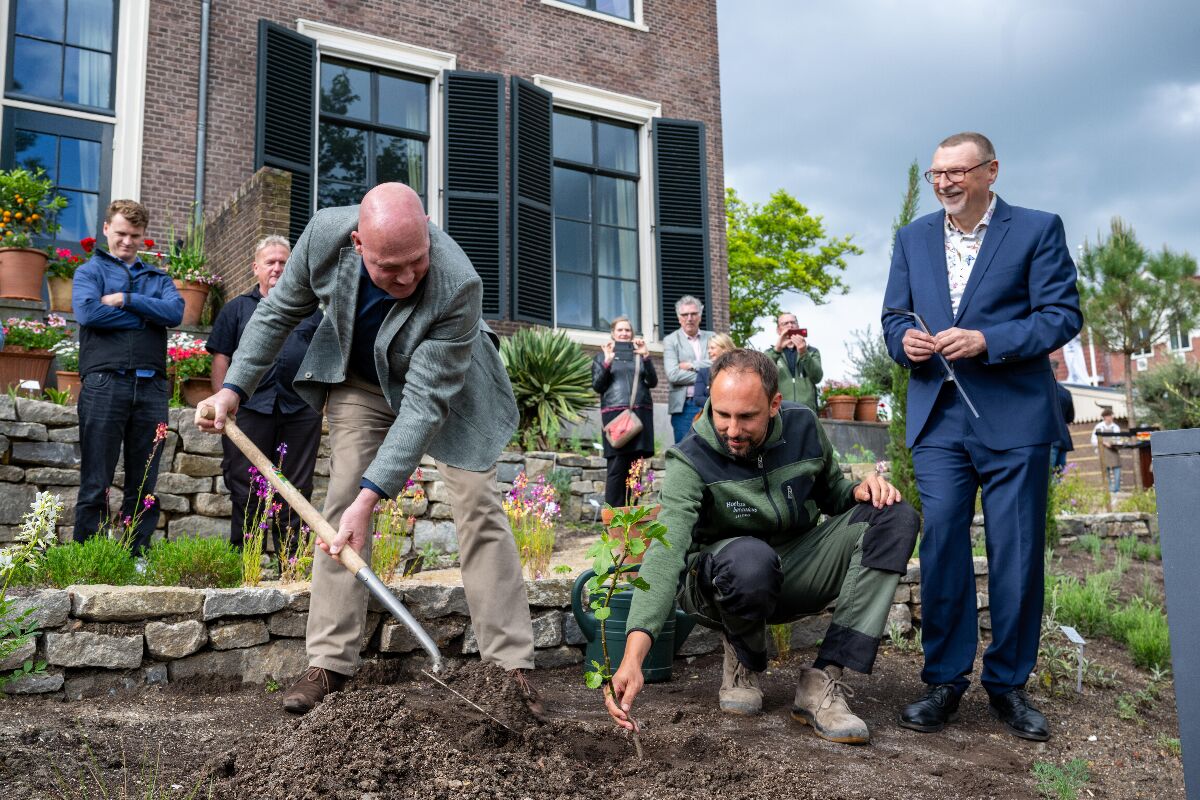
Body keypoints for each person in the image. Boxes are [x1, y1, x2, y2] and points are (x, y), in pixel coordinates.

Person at [196, 183, 541, 717]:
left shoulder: (457, 284)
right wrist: (232, 390)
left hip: (451, 391)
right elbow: (276, 314)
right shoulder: (323, 238)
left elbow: (425, 404)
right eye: (389, 268)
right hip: (361, 381)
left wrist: (373, 497)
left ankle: (510, 668)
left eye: (415, 263)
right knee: (340, 503)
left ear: (426, 230)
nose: (405, 278)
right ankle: (329, 662)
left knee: (478, 505)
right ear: (358, 244)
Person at [605, 349, 919, 745]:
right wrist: (634, 656)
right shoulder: (690, 459)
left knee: (895, 516)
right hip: (725, 581)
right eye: (722, 414)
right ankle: (742, 655)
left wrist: (859, 489)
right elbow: (666, 553)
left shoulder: (803, 426)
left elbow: (834, 494)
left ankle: (823, 682)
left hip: (796, 567)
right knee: (749, 559)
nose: (732, 429)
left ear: (774, 405)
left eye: (746, 417)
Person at [882, 132, 1082, 742]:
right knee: (941, 542)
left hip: (1016, 418)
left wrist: (989, 341)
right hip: (939, 414)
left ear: (991, 171)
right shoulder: (912, 238)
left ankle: (1009, 685)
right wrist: (905, 344)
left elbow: (1061, 316)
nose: (943, 183)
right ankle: (944, 681)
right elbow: (893, 318)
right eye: (936, 173)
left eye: (956, 172)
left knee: (1015, 550)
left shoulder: (1038, 229)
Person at [73, 199, 183, 553]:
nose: (126, 241)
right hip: (105, 383)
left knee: (145, 482)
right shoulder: (89, 273)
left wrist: (126, 299)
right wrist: (146, 320)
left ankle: (135, 556)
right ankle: (88, 557)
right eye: (120, 233)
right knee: (96, 480)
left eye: (134, 235)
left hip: (151, 388)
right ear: (106, 229)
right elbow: (89, 314)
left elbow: (176, 312)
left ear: (143, 236)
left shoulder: (158, 277)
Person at [206, 235, 323, 551]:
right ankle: (244, 567)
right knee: (246, 489)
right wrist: (223, 404)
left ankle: (291, 568)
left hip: (300, 412)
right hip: (248, 412)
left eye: (284, 262)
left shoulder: (313, 313)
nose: (277, 268)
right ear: (255, 267)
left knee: (297, 490)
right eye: (270, 262)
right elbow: (221, 359)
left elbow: (325, 357)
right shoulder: (236, 309)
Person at [592, 316, 657, 508]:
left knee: (635, 469)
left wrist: (647, 357)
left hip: (639, 416)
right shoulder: (601, 356)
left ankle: (632, 519)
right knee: (616, 469)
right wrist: (607, 362)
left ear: (632, 333)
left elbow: (652, 382)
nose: (624, 333)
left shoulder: (640, 356)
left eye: (627, 330)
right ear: (613, 333)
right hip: (616, 416)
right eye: (620, 330)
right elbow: (597, 385)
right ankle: (612, 520)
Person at [663, 295, 713, 443]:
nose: (689, 318)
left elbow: (718, 363)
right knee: (686, 448)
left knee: (712, 448)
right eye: (685, 315)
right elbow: (673, 374)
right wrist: (706, 374)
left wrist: (692, 365)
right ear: (679, 318)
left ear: (700, 316)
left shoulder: (712, 337)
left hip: (710, 400)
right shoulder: (671, 340)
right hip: (684, 404)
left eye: (693, 314)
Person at [767, 312, 823, 411]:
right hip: (781, 410)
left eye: (793, 322)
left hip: (807, 410)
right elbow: (763, 373)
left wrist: (804, 353)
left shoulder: (811, 351)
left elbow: (817, 377)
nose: (790, 325)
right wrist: (777, 350)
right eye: (785, 323)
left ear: (798, 326)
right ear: (778, 330)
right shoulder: (770, 353)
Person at [692, 333, 735, 408]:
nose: (709, 351)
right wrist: (722, 405)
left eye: (712, 348)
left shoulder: (738, 370)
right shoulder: (704, 372)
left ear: (724, 349)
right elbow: (697, 399)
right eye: (708, 348)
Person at [1050, 366, 1075, 476]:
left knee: (1049, 474)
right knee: (1059, 473)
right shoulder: (1066, 392)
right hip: (1064, 437)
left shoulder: (1043, 391)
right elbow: (1070, 418)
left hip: (1050, 437)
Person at [1091, 407, 1122, 492]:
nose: (1111, 417)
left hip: (1114, 451)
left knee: (1117, 471)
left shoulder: (1115, 427)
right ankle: (1108, 490)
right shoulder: (1099, 426)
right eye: (1109, 416)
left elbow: (1119, 439)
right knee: (1106, 472)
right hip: (1103, 452)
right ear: (1105, 417)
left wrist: (1114, 443)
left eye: (1112, 416)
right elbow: (1093, 440)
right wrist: (1104, 443)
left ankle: (1116, 489)